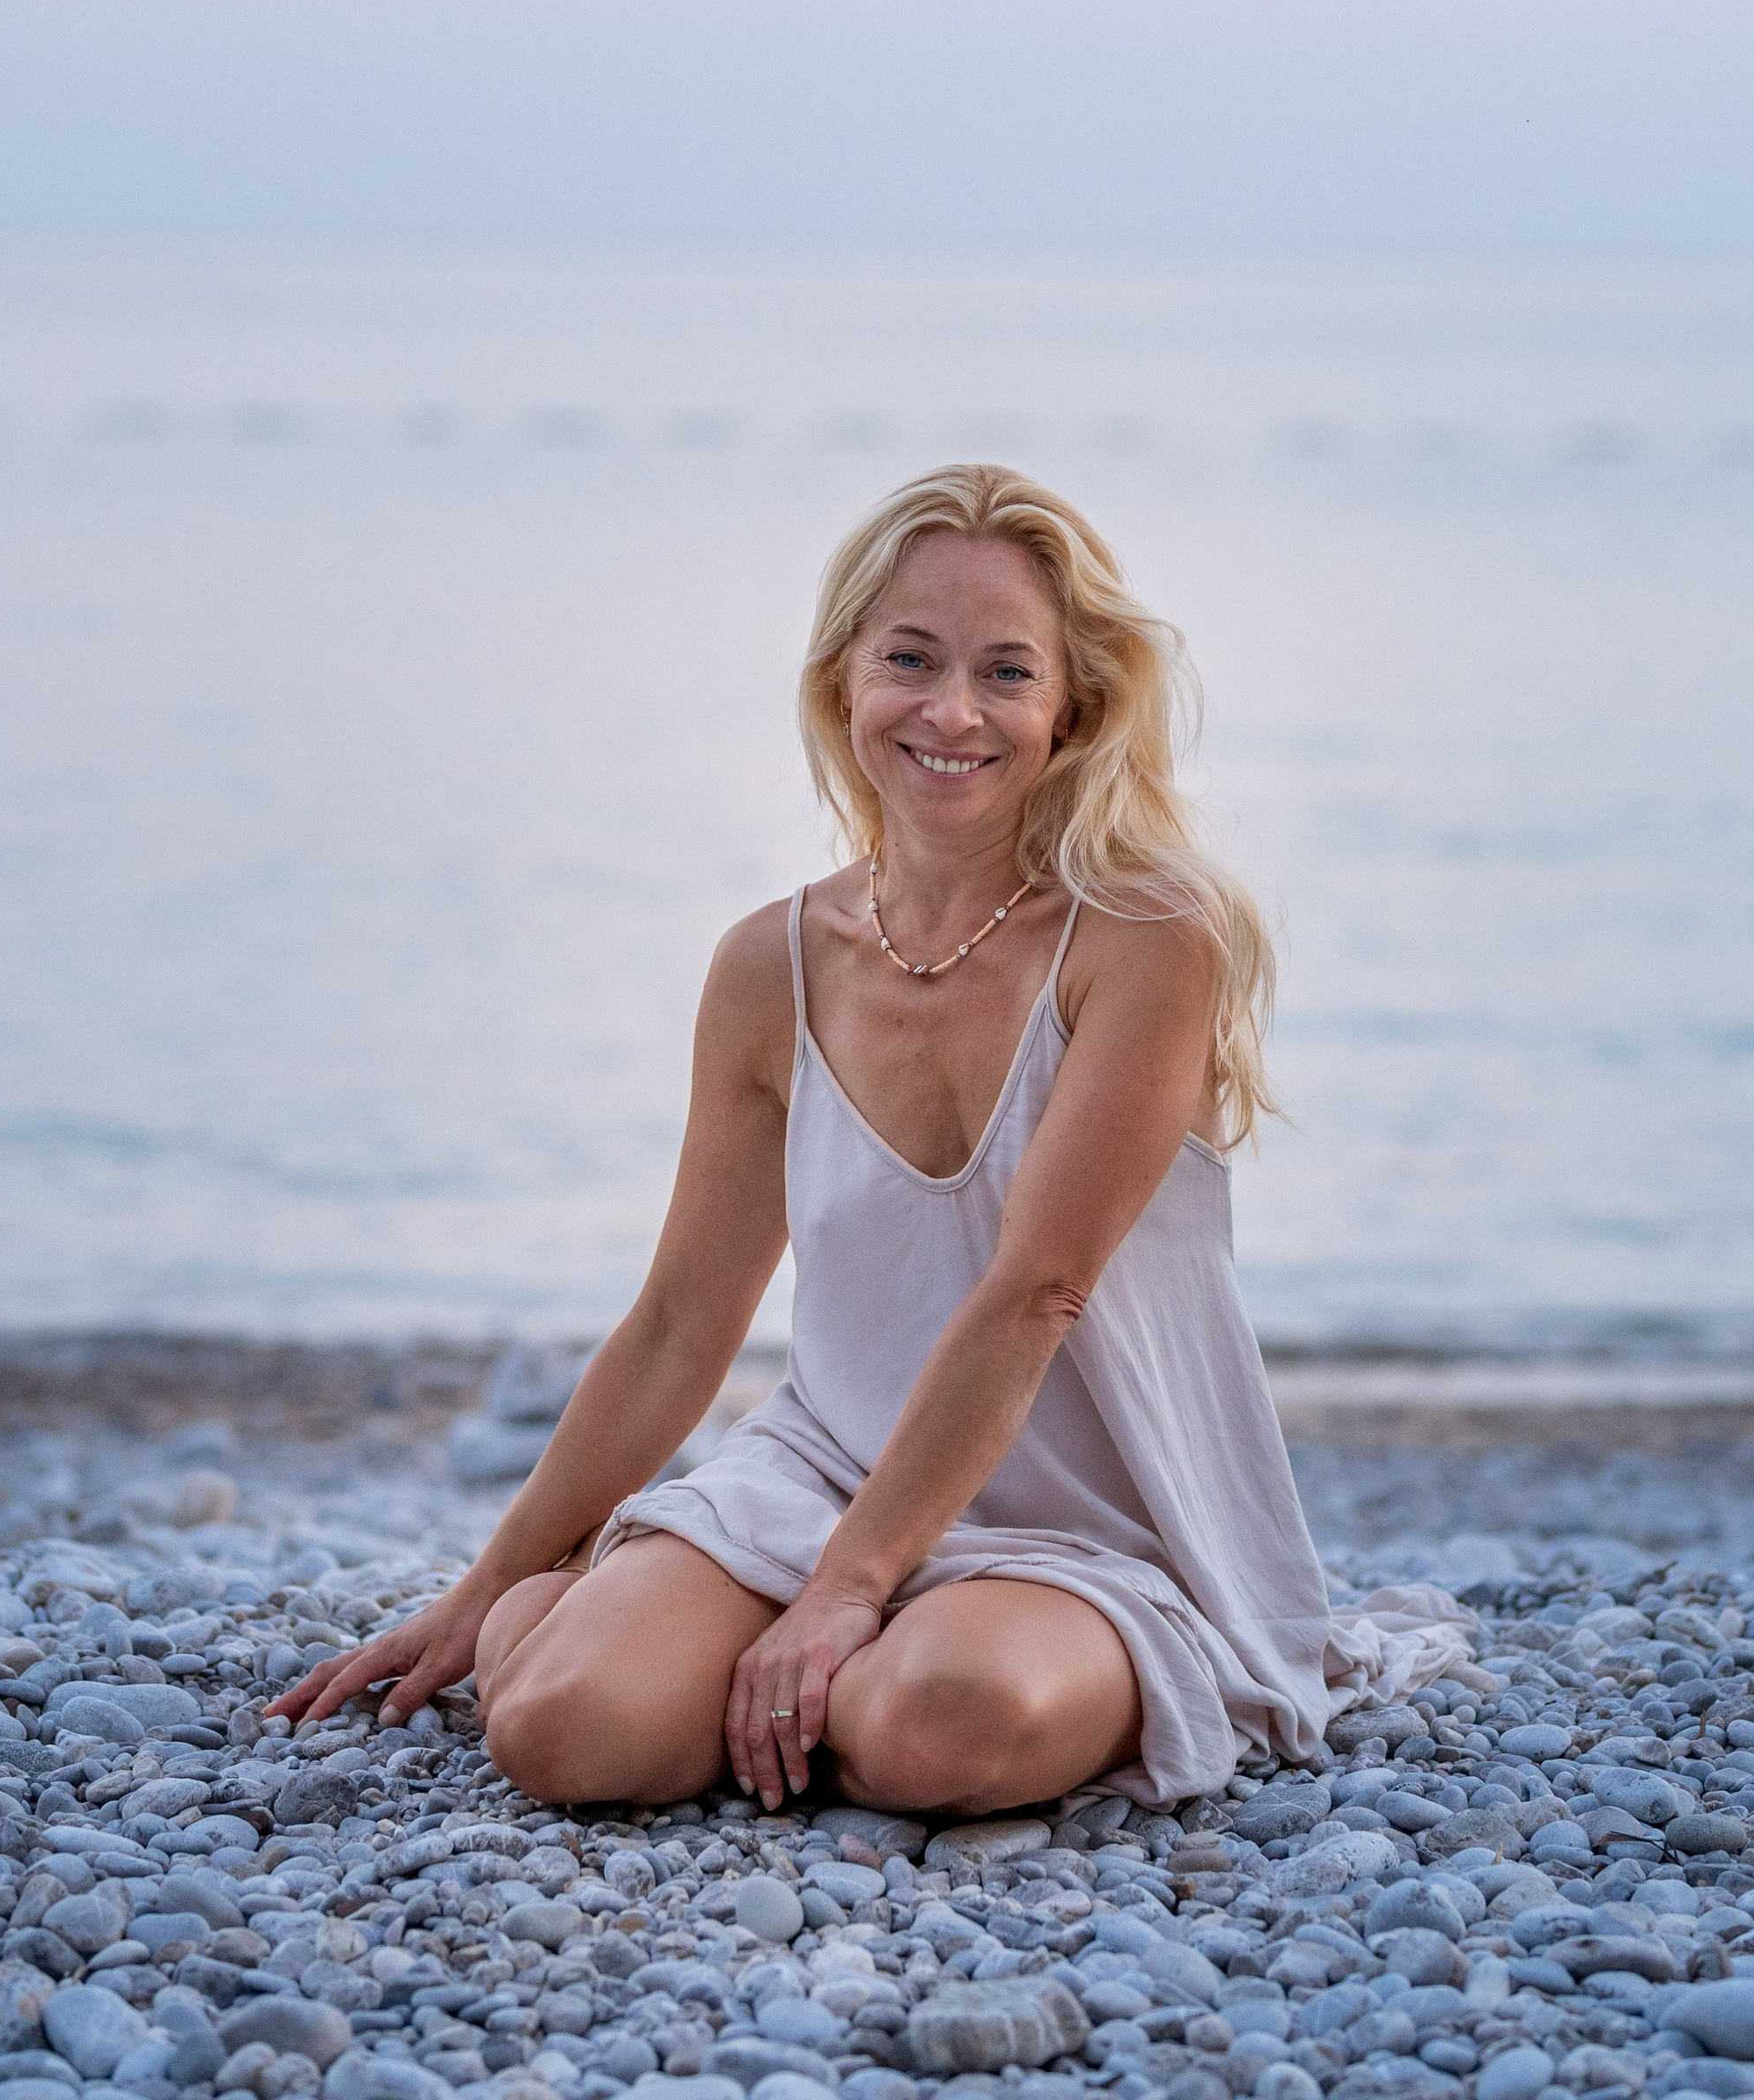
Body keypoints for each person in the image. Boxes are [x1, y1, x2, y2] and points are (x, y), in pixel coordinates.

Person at [270, 463, 1464, 1813]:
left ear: (1071, 710)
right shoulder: (768, 965)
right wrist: (484, 1585)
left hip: (1089, 1513)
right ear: (843, 681)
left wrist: (845, 1591)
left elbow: (1038, 1292)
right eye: (910, 659)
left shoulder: (1145, 940)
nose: (952, 711)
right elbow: (679, 1323)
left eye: (1007, 672)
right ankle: (625, 1616)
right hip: (824, 1473)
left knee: (933, 1732)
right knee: (560, 1733)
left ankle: (819, 1654)